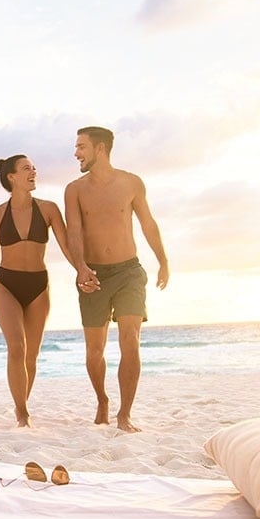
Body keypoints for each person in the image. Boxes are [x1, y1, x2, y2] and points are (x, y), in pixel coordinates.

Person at [64, 126, 169, 433]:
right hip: (93, 274)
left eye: (81, 146)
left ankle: (125, 414)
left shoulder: (132, 182)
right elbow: (74, 232)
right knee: (94, 351)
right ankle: (102, 401)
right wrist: (80, 268)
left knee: (130, 341)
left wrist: (163, 259)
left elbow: (148, 223)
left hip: (129, 272)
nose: (76, 153)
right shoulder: (75, 189)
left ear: (100, 149)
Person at [0, 155, 75, 427]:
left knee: (31, 354)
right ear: (12, 177)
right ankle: (22, 413)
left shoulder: (48, 209)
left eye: (33, 167)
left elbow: (67, 245)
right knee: (16, 348)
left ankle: (22, 403)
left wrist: (81, 270)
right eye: (26, 169)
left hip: (38, 285)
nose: (33, 172)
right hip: (6, 284)